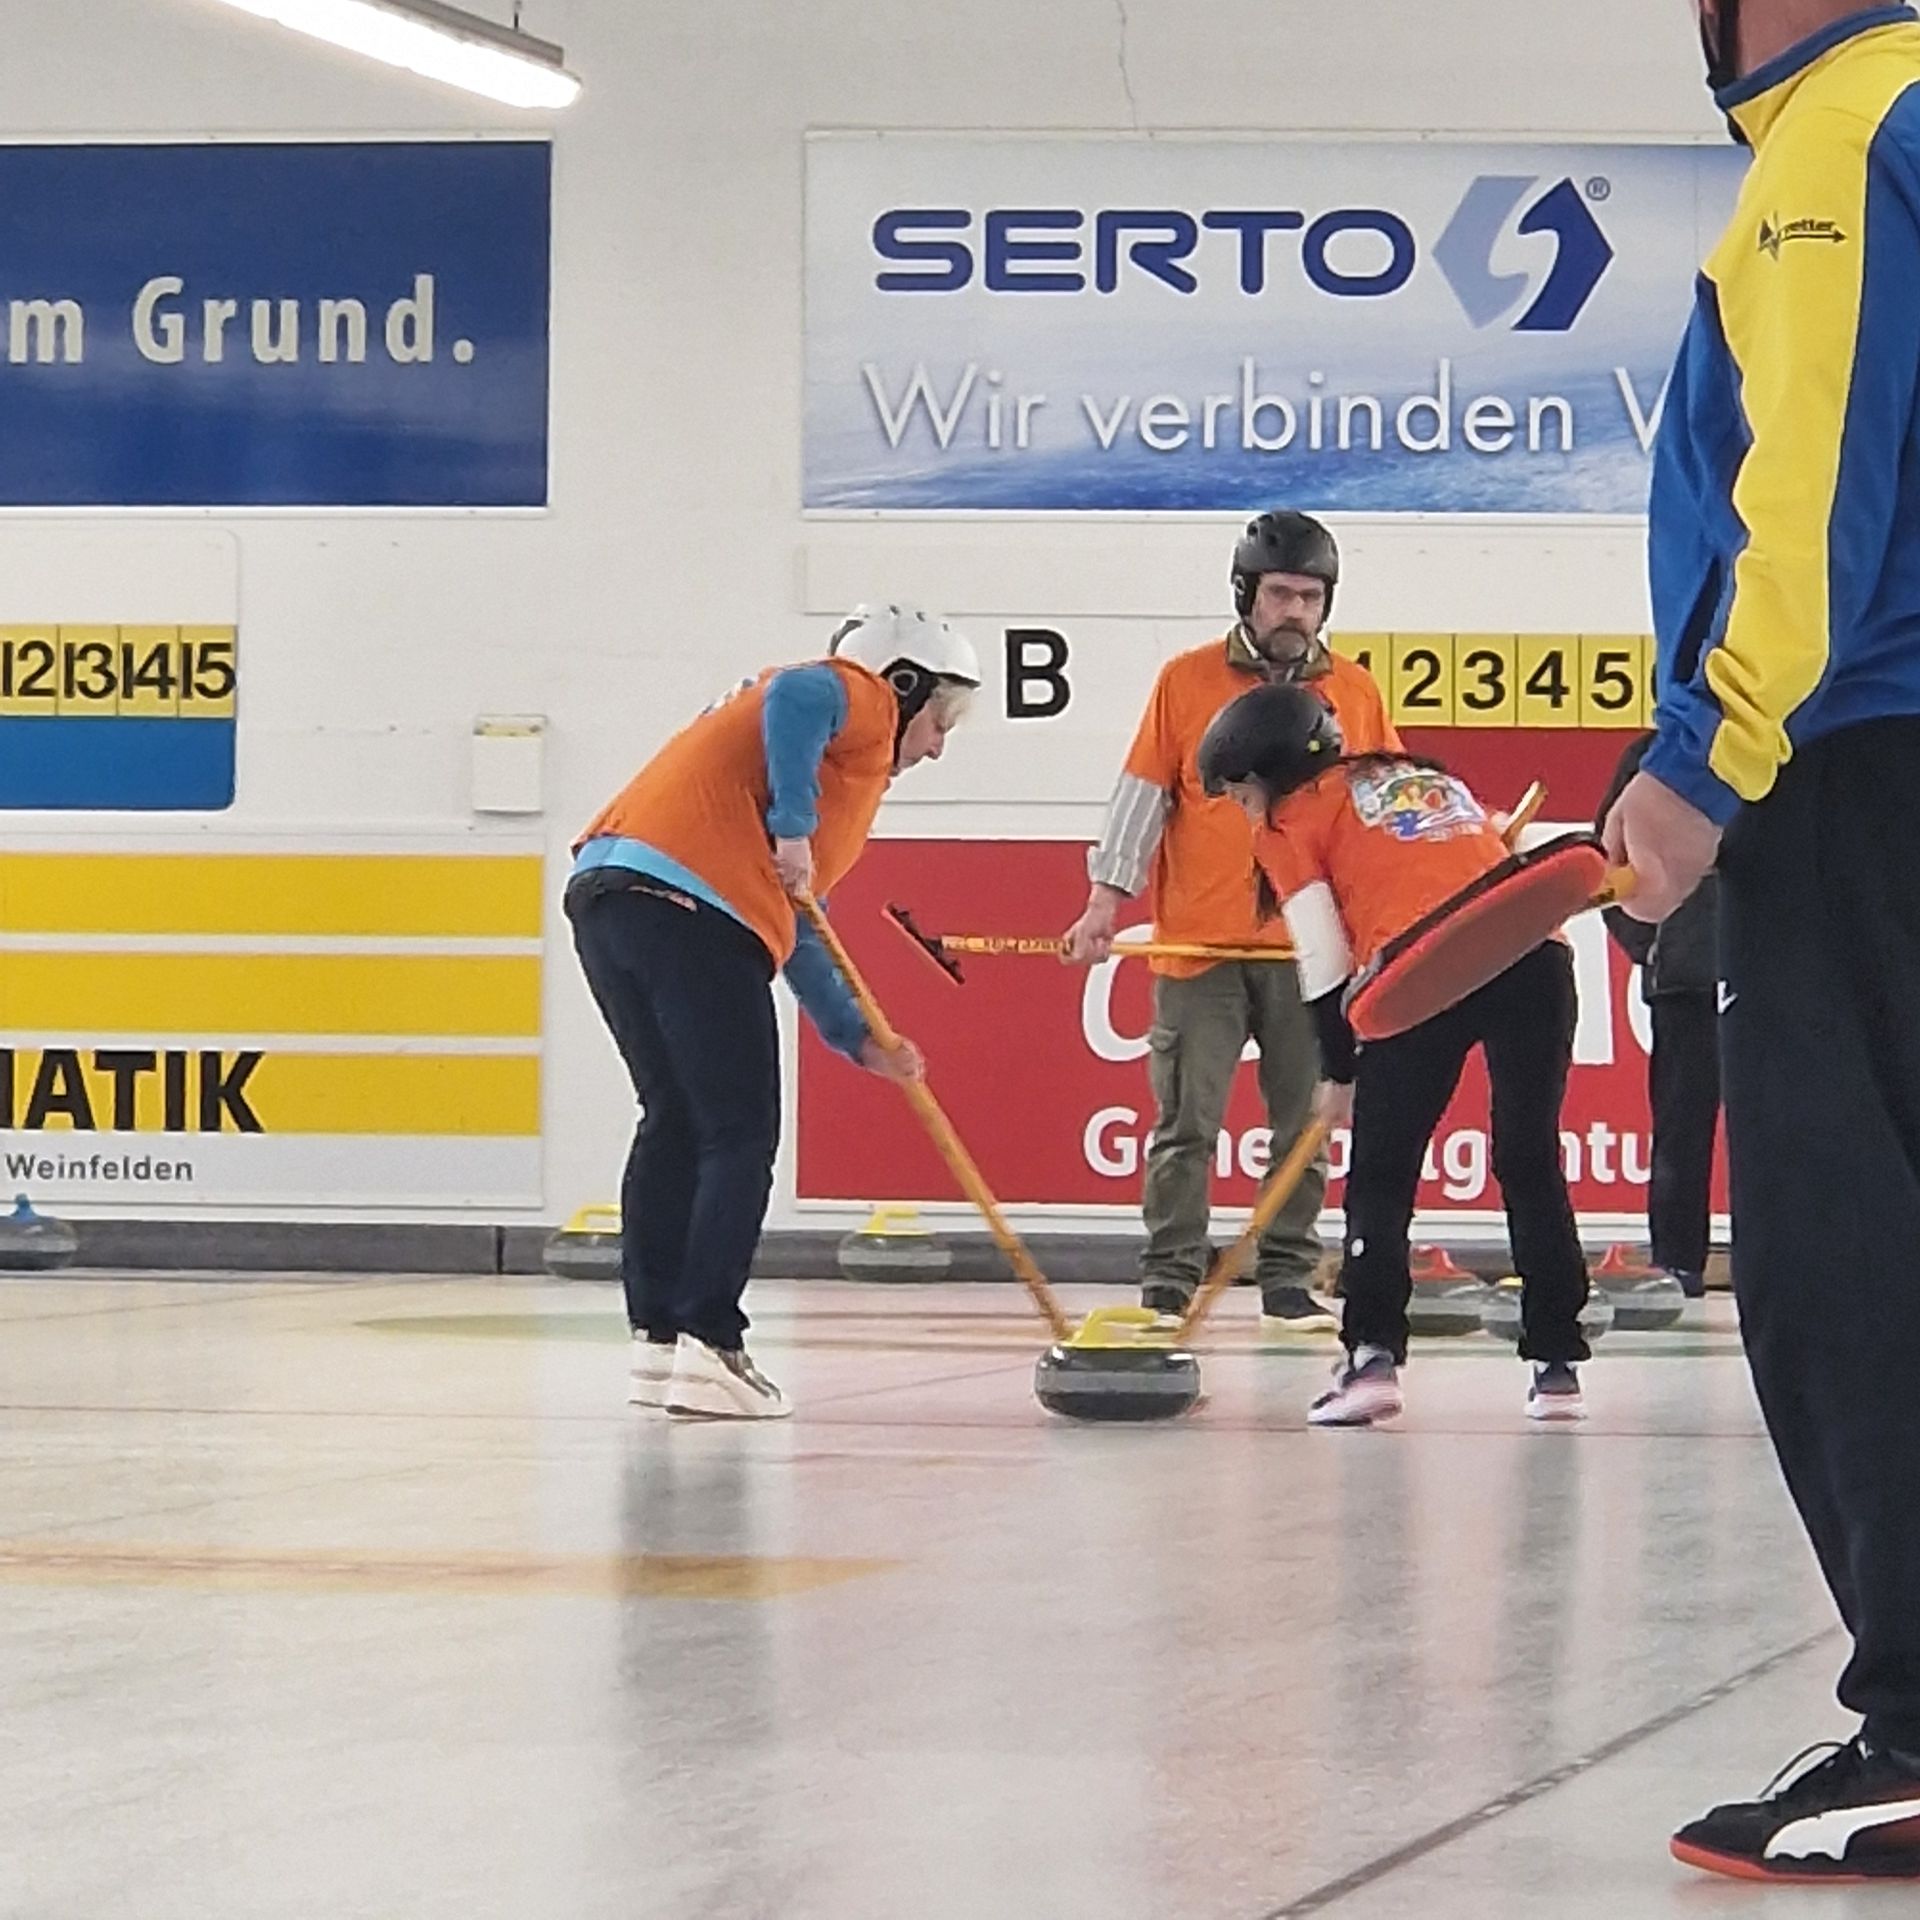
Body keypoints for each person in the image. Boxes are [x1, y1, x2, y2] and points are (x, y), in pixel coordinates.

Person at [1602, 0, 1920, 1882]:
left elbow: (1808, 467)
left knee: (1842, 1252)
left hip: (1862, 764)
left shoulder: (1850, 128)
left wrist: (1708, 753)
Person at [565, 604, 979, 1420]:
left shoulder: (835, 776)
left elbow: (796, 927)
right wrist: (792, 827)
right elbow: (800, 692)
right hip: (691, 906)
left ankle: (658, 1342)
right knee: (739, 1132)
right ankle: (711, 1343)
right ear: (905, 684)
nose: (937, 745)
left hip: (613, 897)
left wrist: (856, 1035)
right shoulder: (858, 696)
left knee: (675, 1119)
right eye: (942, 718)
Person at [1197, 682, 1593, 1425]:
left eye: (1241, 795)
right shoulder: (1421, 775)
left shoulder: (1288, 821)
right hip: (1536, 954)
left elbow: (1322, 958)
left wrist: (1338, 1071)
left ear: (1271, 774)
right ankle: (1557, 1367)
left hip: (1424, 968)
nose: (1244, 811)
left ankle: (1372, 1359)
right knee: (1529, 1157)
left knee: (1382, 1175)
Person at [1061, 510, 1400, 1333]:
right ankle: (1170, 1279)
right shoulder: (1186, 681)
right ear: (1248, 594)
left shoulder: (1354, 692)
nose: (1295, 611)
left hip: (1308, 951)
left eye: (1310, 598)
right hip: (1199, 946)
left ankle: (1287, 1276)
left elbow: (1381, 805)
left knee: (1305, 1124)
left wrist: (1384, 922)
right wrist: (1106, 900)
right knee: (1185, 1125)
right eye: (1280, 593)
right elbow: (1143, 797)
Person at [1597, 733, 1720, 1298]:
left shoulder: (1787, 743)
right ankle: (1676, 1262)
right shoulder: (1656, 754)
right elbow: (1609, 862)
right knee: (1681, 1130)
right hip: (1687, 980)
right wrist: (1652, 945)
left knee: (1781, 1132)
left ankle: (1785, 1262)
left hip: (1773, 979)